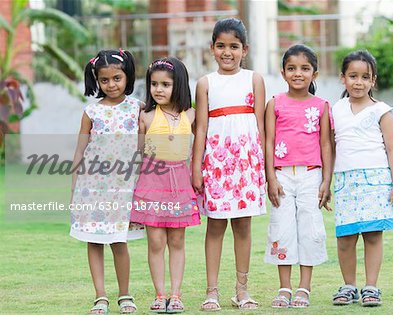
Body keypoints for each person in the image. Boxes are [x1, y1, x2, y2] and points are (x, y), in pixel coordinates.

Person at [192, 18, 266, 311]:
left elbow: (260, 124)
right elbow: (200, 128)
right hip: (217, 164)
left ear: (244, 49)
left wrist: (265, 167)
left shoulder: (254, 79)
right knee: (215, 226)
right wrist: (196, 166)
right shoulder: (205, 83)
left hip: (246, 163)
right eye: (221, 46)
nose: (227, 52)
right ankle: (212, 292)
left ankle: (242, 290)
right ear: (212, 48)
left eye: (234, 46)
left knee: (243, 226)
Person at [331, 50, 393, 307]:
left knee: (373, 235)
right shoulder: (335, 110)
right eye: (353, 76)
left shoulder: (382, 111)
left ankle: (371, 287)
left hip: (376, 180)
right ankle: (349, 286)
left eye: (365, 77)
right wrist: (325, 184)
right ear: (343, 78)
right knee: (345, 238)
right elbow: (329, 148)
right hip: (345, 182)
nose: (358, 82)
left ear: (373, 80)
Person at [70, 49, 143, 314]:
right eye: (105, 80)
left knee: (118, 240)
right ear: (96, 81)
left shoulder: (137, 108)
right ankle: (100, 296)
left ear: (127, 77)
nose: (111, 84)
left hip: (122, 188)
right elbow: (80, 151)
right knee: (94, 240)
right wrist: (74, 186)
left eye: (117, 78)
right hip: (92, 187)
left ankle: (125, 294)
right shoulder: (91, 112)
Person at [264, 44, 333, 308]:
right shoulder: (275, 103)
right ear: (283, 73)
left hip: (311, 176)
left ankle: (304, 287)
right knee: (282, 228)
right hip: (281, 176)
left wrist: (326, 180)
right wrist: (271, 178)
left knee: (309, 229)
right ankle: (284, 287)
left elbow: (326, 144)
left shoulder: (322, 106)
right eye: (292, 68)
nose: (298, 73)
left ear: (314, 73)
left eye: (305, 69)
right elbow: (269, 141)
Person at [130, 57, 200, 313]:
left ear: (178, 85)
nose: (158, 90)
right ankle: (160, 294)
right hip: (151, 184)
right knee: (156, 242)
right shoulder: (146, 117)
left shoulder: (190, 115)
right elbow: (138, 155)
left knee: (177, 241)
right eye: (154, 84)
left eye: (166, 84)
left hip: (180, 184)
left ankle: (176, 294)